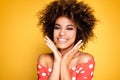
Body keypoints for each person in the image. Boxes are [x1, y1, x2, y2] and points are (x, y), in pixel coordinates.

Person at [37, 0, 97, 80]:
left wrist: (64, 64)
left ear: (78, 32)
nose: (61, 33)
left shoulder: (85, 60)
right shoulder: (44, 60)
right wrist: (57, 62)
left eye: (69, 28)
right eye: (57, 27)